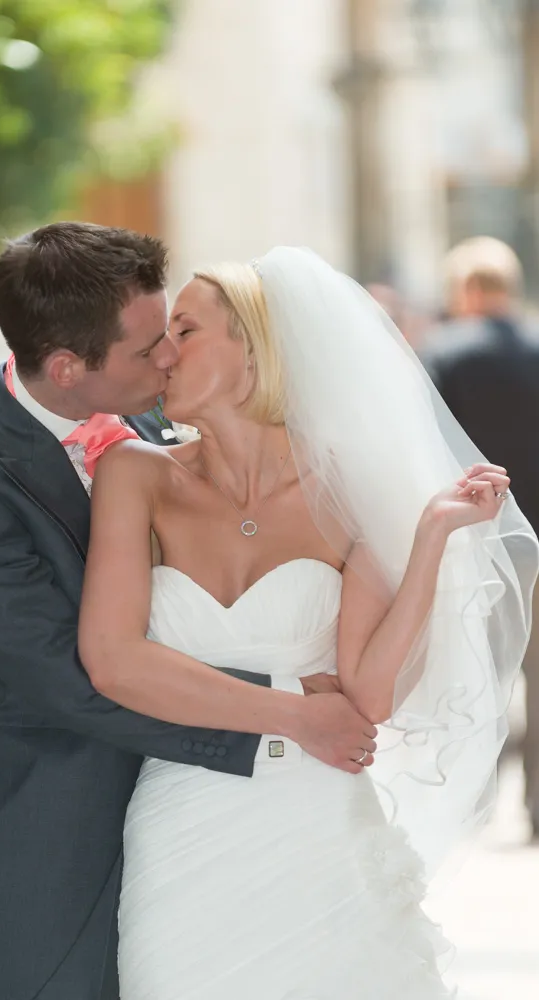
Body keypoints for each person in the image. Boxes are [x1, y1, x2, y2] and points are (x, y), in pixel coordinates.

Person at [0, 224, 376, 1000]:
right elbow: (62, 680)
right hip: (66, 831)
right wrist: (284, 711)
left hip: (234, 824)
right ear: (65, 367)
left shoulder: (162, 415)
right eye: (150, 347)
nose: (170, 358)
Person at [79, 247, 537, 998]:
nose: (161, 353)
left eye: (185, 331)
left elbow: (367, 697)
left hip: (318, 829)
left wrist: (426, 542)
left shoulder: (345, 486)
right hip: (179, 823)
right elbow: (113, 661)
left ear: (256, 352)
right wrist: (296, 713)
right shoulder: (132, 474)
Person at [422, 236, 539, 840]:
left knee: (477, 672)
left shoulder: (442, 351)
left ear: (465, 290)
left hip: (477, 543)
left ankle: (475, 801)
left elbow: (425, 446)